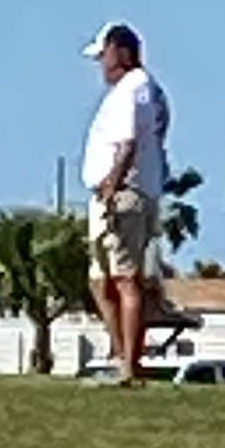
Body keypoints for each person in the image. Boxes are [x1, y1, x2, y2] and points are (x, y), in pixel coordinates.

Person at [81, 22, 170, 382]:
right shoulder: (146, 91)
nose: (102, 64)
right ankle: (121, 355)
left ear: (123, 52)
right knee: (100, 279)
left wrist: (112, 183)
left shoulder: (134, 89)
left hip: (123, 193)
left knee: (125, 279)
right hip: (129, 190)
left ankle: (129, 365)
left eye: (105, 54)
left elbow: (127, 142)